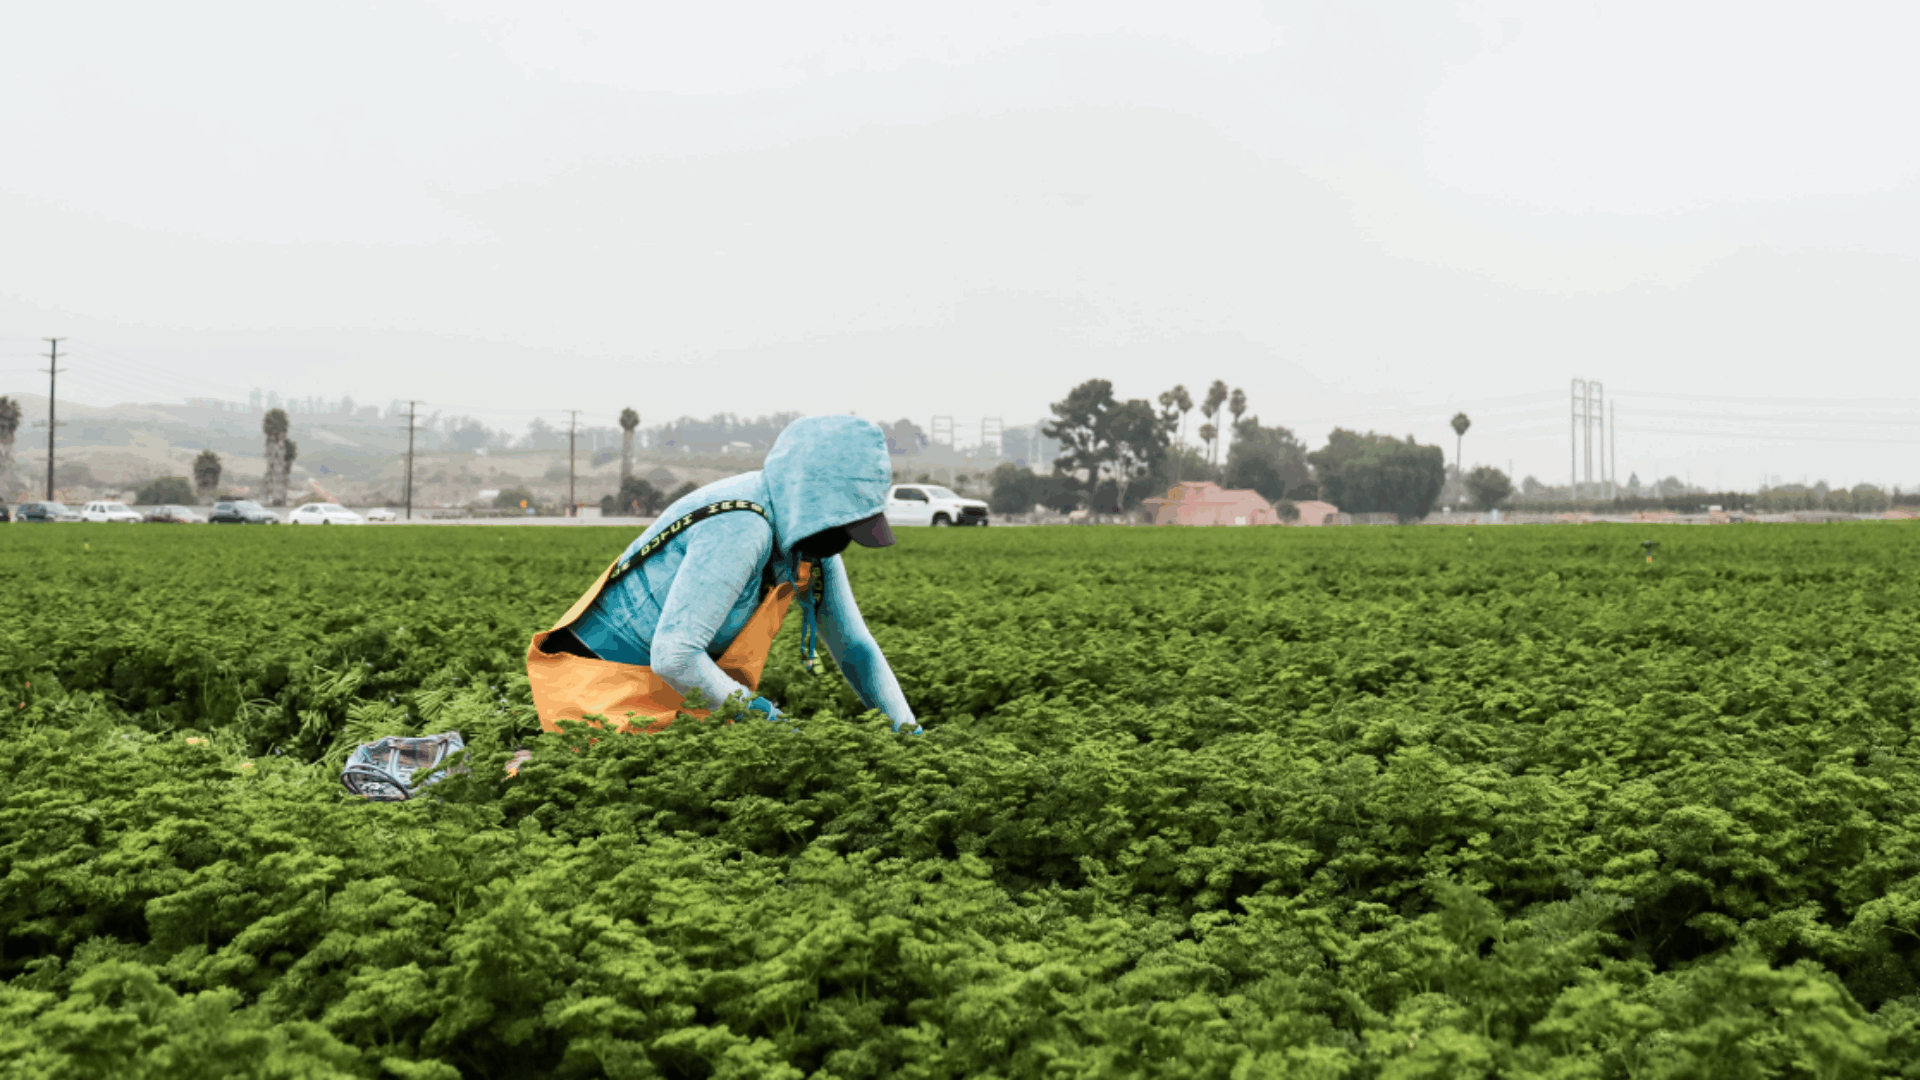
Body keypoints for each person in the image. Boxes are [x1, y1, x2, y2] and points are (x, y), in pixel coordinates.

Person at [526, 415, 921, 734]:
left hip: (667, 691)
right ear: (809, 503)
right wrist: (773, 723)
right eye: (840, 526)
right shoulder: (741, 524)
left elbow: (855, 646)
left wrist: (908, 733)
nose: (842, 541)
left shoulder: (807, 542)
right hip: (601, 685)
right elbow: (675, 657)